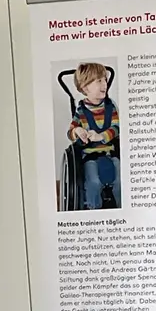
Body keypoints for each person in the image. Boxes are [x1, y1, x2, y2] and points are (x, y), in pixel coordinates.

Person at [68, 62, 120, 209]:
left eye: (105, 79)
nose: (104, 84)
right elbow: (70, 132)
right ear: (85, 88)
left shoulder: (111, 107)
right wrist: (77, 131)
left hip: (110, 153)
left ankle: (122, 207)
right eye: (99, 81)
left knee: (121, 181)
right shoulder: (81, 111)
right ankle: (93, 208)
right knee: (93, 183)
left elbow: (117, 128)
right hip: (90, 157)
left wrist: (101, 136)